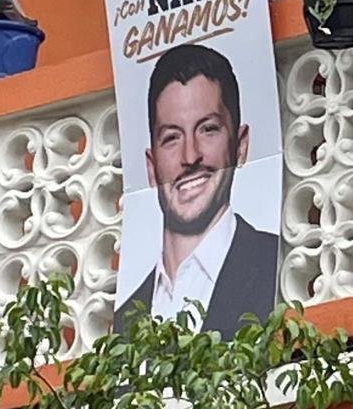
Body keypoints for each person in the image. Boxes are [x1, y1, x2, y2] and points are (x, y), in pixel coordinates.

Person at [115, 43, 279, 337]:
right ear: (151, 167)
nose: (190, 156)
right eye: (171, 138)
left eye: (208, 129)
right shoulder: (124, 319)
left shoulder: (276, 262)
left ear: (240, 146)